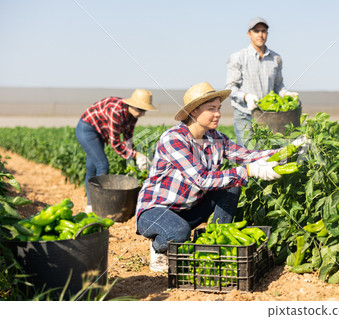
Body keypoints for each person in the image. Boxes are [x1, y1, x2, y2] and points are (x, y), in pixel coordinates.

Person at [135, 82, 306, 272]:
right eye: (211, 109)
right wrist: (249, 171)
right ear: (193, 112)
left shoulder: (215, 138)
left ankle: (217, 242)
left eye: (218, 108)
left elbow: (248, 156)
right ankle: (158, 248)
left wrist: (288, 150)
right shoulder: (174, 139)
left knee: (231, 185)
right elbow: (201, 179)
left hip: (189, 208)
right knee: (178, 232)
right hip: (156, 211)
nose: (217, 114)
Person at [76, 89, 157, 212]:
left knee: (91, 168)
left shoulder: (132, 116)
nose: (142, 113)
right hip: (87, 129)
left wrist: (133, 157)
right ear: (132, 105)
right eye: (140, 110)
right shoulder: (116, 111)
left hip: (100, 133)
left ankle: (90, 205)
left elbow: (128, 138)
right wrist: (136, 156)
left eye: (144, 110)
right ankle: (98, 204)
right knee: (102, 165)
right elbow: (116, 144)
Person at [226, 17, 300, 146]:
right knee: (248, 152)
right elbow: (230, 88)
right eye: (256, 31)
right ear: (249, 34)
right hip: (245, 115)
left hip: (269, 116)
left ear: (267, 34)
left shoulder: (275, 58)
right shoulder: (238, 57)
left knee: (267, 153)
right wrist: (246, 97)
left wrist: (285, 94)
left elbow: (278, 85)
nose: (260, 34)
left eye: (263, 31)